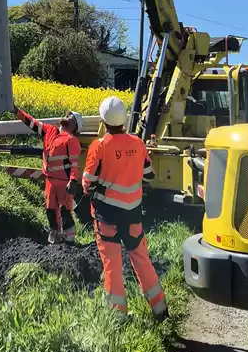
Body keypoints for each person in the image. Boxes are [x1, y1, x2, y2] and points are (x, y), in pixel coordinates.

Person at [80, 96, 166, 317]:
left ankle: (118, 317)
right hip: (133, 215)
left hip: (106, 216)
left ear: (103, 121)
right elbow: (149, 175)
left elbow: (87, 182)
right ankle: (160, 310)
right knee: (141, 258)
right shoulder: (137, 143)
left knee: (112, 265)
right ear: (124, 120)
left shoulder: (98, 146)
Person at [13, 103, 82, 243]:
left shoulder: (72, 140)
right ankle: (54, 239)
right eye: (67, 115)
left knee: (65, 211)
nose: (67, 117)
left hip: (64, 183)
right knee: (50, 210)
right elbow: (30, 122)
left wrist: (73, 181)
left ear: (75, 126)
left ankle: (70, 241)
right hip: (50, 180)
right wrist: (16, 111)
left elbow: (75, 164)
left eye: (71, 117)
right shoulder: (49, 130)